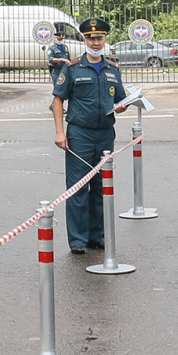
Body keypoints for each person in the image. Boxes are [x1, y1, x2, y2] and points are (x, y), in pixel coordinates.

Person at [52, 18, 127, 252]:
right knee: (77, 188)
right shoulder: (73, 68)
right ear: (84, 40)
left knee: (100, 187)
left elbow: (120, 98)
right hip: (79, 135)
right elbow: (57, 100)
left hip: (105, 135)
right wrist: (59, 132)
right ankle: (77, 240)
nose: (96, 42)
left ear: (105, 40)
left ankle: (98, 236)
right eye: (91, 38)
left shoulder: (113, 69)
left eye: (100, 38)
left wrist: (122, 106)